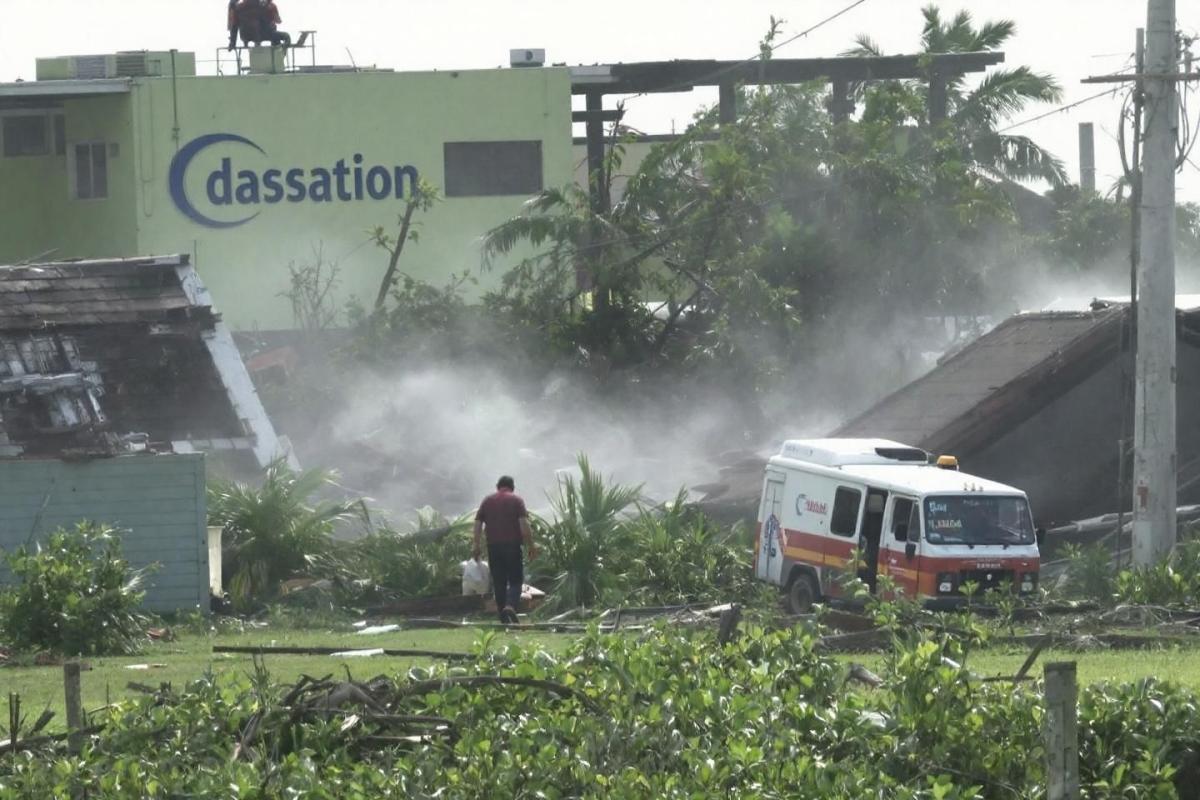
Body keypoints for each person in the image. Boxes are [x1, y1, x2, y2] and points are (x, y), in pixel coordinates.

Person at [473, 475, 536, 624]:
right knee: (515, 581)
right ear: (512, 487)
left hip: (493, 547)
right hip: (512, 546)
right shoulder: (516, 500)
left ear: (497, 486)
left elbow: (477, 524)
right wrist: (531, 545)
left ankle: (503, 617)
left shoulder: (487, 501)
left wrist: (476, 545)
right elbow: (523, 525)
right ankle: (510, 606)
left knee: (499, 581)